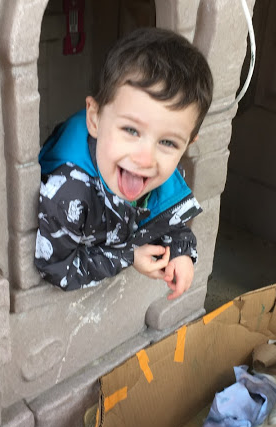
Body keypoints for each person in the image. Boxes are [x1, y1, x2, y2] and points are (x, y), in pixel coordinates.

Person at [34, 27, 213, 299]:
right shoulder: (68, 192)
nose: (145, 159)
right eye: (131, 130)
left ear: (187, 143)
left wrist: (182, 252)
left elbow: (169, 218)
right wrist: (128, 256)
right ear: (94, 119)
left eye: (168, 143)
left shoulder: (159, 174)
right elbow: (56, 267)